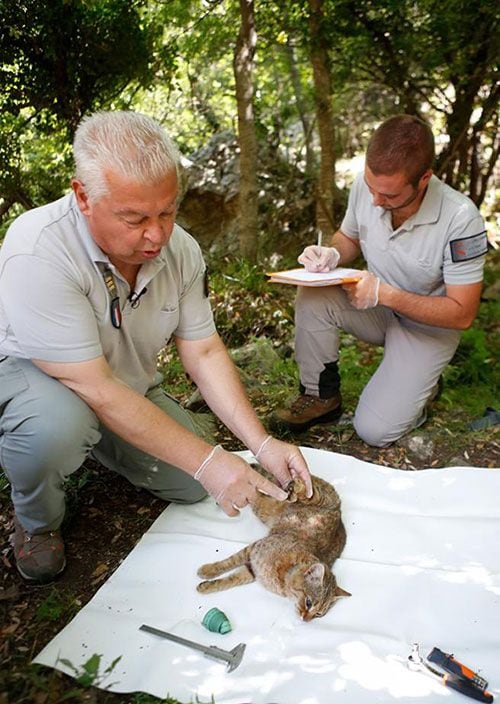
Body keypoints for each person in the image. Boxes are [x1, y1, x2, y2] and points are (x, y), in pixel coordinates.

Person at [0, 110, 311, 584]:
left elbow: (203, 350)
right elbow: (94, 387)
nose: (157, 235)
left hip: (121, 383)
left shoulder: (180, 250)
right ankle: (37, 523)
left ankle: (110, 440)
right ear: (83, 196)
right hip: (43, 379)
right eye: (135, 218)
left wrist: (261, 443)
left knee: (193, 485)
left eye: (167, 212)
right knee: (56, 428)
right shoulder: (38, 248)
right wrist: (209, 461)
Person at [275, 115, 487, 445]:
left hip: (428, 326)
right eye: (371, 189)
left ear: (424, 179)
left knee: (374, 431)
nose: (375, 201)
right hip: (375, 306)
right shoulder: (368, 186)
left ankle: (423, 386)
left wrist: (385, 294)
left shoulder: (461, 219)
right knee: (313, 295)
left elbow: (462, 313)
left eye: (388, 195)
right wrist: (329, 254)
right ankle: (320, 397)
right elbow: (349, 236)